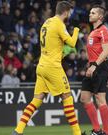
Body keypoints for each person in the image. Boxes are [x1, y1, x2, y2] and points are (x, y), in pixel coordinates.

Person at [13, 1, 85, 135]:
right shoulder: (59, 24)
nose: (70, 14)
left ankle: (18, 131)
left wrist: (62, 51)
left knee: (37, 100)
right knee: (67, 96)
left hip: (41, 66)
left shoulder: (46, 23)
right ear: (65, 12)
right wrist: (76, 30)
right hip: (53, 67)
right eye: (69, 12)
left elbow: (52, 44)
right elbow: (72, 42)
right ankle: (77, 133)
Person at [80, 5, 108, 135]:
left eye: (93, 13)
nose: (90, 14)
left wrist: (94, 66)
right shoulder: (92, 32)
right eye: (90, 12)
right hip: (92, 66)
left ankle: (106, 132)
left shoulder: (103, 30)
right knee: (84, 98)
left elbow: (106, 51)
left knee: (100, 98)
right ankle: (97, 131)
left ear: (100, 16)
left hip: (99, 67)